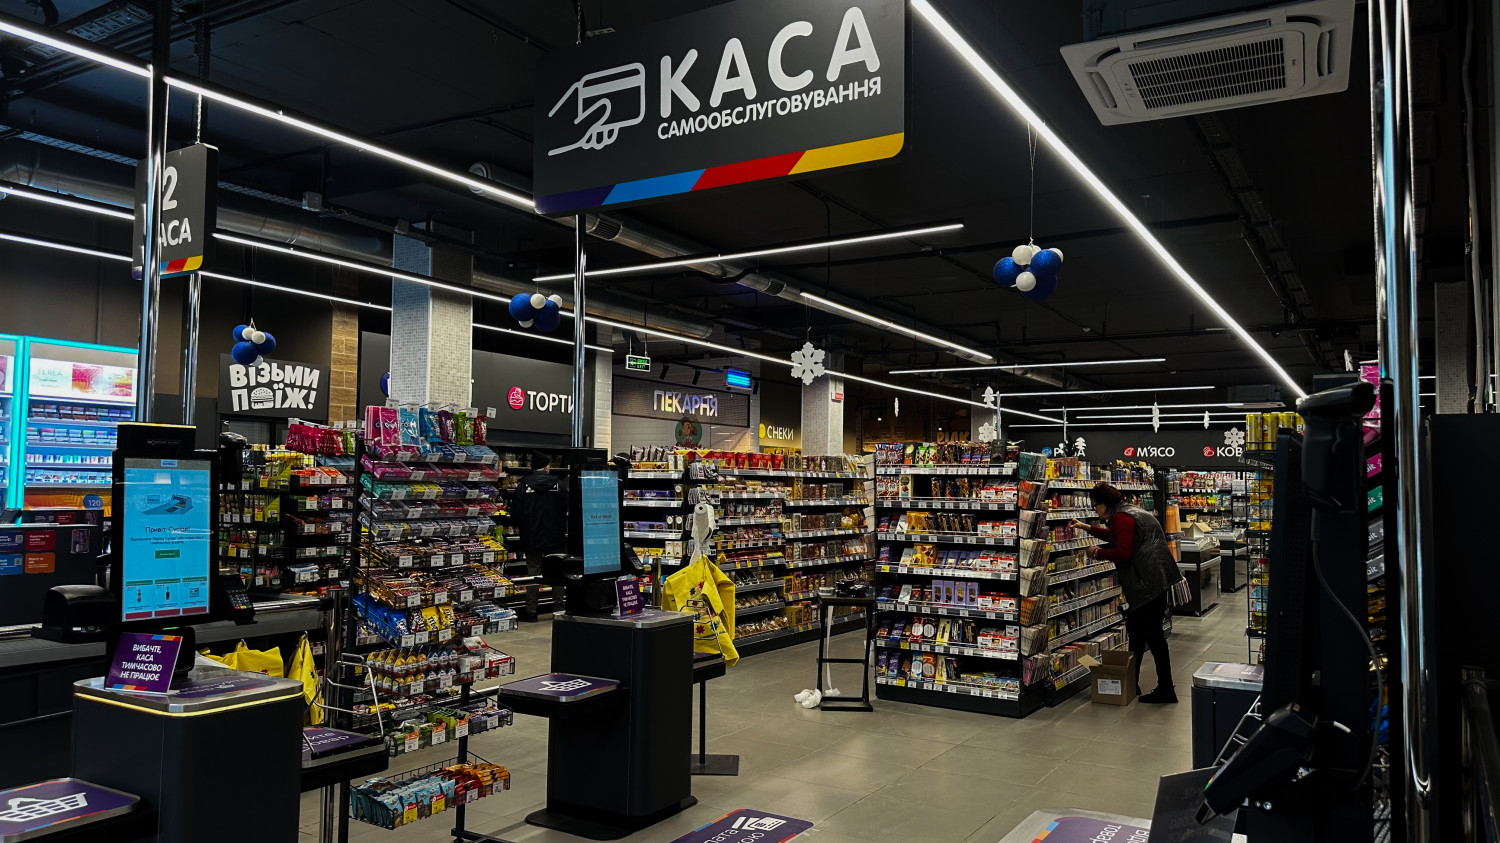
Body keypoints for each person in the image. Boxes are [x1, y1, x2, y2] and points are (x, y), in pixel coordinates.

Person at [1071, 482, 1181, 703]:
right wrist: (1087, 528)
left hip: (1147, 584)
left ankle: (1166, 689)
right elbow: (1116, 536)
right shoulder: (1127, 512)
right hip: (1153, 580)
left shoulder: (1122, 517)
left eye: (1095, 506)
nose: (1095, 510)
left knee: (1152, 636)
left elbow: (1122, 552)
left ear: (1104, 504)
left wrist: (1097, 553)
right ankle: (1132, 684)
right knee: (1138, 635)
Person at [512, 451, 567, 621]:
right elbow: (565, 508)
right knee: (557, 572)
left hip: (531, 536)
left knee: (533, 573)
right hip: (555, 536)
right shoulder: (558, 485)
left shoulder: (523, 486)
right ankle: (559, 609)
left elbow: (515, 513)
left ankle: (531, 611)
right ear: (547, 467)